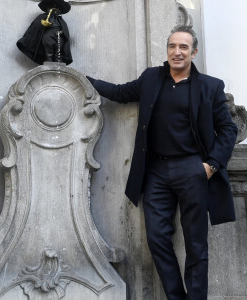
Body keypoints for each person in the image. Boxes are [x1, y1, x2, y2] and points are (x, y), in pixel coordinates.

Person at [87, 25, 237, 300]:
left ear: (194, 52)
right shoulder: (151, 78)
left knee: (196, 246)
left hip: (193, 170)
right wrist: (84, 80)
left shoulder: (210, 86)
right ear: (167, 50)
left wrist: (211, 165)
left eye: (183, 47)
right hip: (155, 172)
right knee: (156, 240)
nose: (176, 52)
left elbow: (228, 129)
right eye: (172, 46)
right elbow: (120, 93)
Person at [17, 0, 72, 65]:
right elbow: (35, 27)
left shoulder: (61, 21)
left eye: (57, 9)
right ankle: (49, 65)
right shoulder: (43, 17)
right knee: (49, 53)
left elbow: (65, 31)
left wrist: (61, 32)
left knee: (58, 53)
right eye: (52, 8)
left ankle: (58, 66)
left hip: (59, 37)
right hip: (48, 36)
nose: (55, 10)